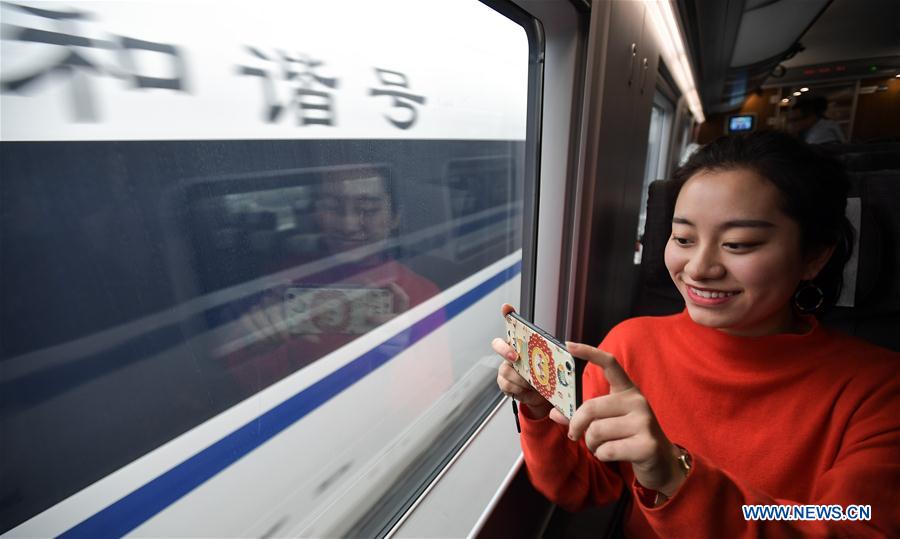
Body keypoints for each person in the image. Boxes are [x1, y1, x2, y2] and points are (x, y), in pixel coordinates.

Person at [493, 131, 899, 537]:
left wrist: (677, 478)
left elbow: (855, 525)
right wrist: (539, 410)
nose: (700, 268)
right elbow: (582, 488)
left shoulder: (879, 390)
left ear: (814, 257)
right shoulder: (629, 347)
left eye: (739, 244)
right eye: (684, 239)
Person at [224, 165, 446, 398]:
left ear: (394, 218)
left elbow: (436, 395)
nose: (348, 225)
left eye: (368, 209)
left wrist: (400, 352)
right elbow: (243, 390)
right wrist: (256, 346)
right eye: (332, 207)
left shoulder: (423, 295)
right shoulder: (284, 279)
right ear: (317, 214)